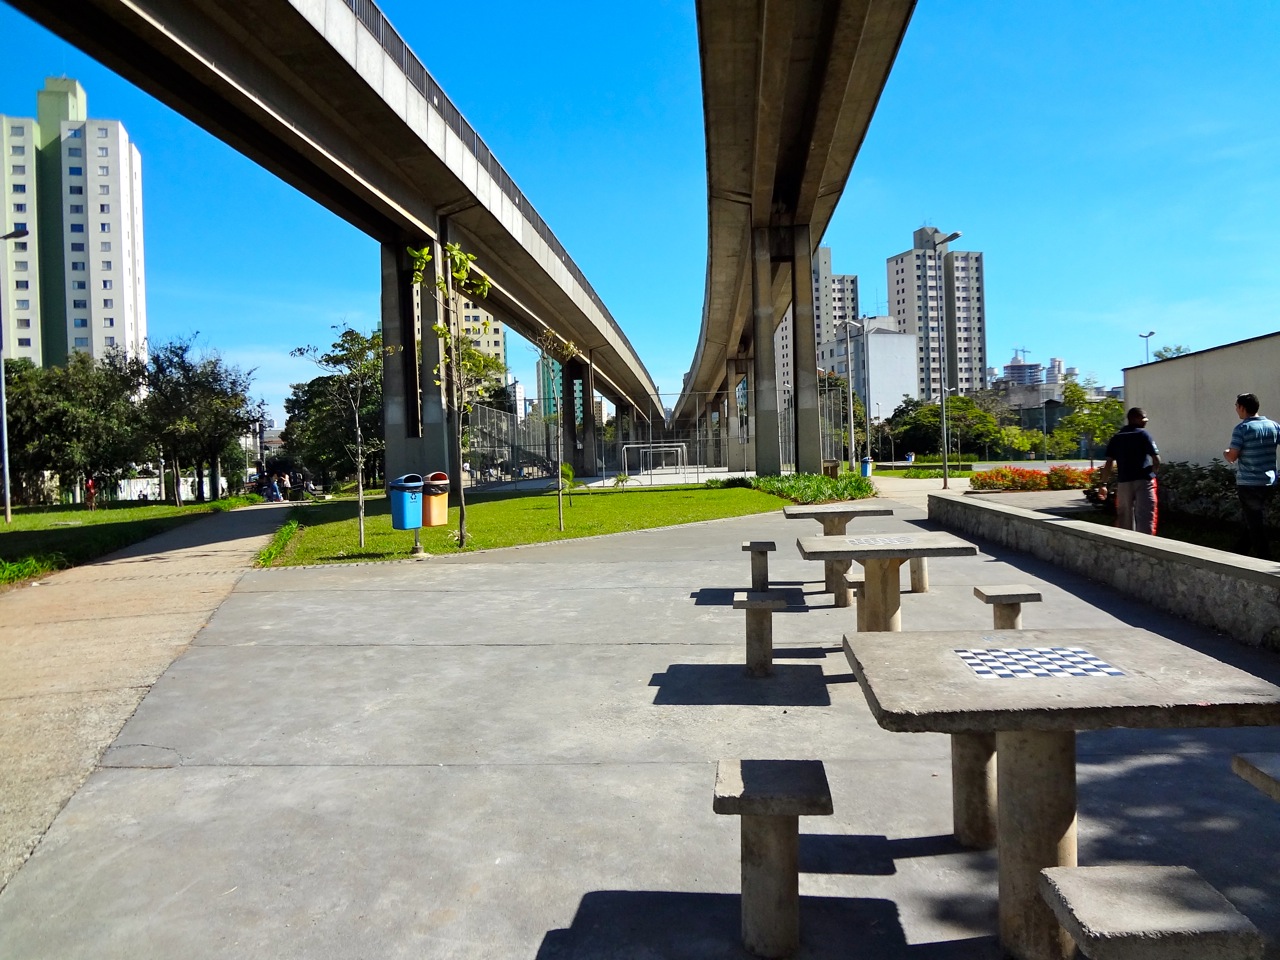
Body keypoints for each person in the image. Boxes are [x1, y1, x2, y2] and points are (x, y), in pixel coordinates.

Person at [1224, 392, 1280, 558]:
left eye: (1236, 406)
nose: (1235, 409)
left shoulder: (1242, 429)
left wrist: (1226, 452)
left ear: (1242, 407)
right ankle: (1238, 553)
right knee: (1251, 519)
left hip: (1249, 484)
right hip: (1269, 482)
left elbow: (1232, 456)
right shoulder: (1274, 426)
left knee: (1255, 523)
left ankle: (1265, 559)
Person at [1099, 407, 1160, 535]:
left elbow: (1109, 462)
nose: (1146, 421)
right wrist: (1153, 474)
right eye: (1143, 418)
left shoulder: (1117, 437)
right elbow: (1156, 459)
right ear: (1134, 419)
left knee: (1124, 515)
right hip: (1144, 481)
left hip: (1124, 482)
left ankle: (1126, 541)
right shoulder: (1143, 434)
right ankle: (1146, 544)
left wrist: (1103, 484)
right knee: (1145, 515)